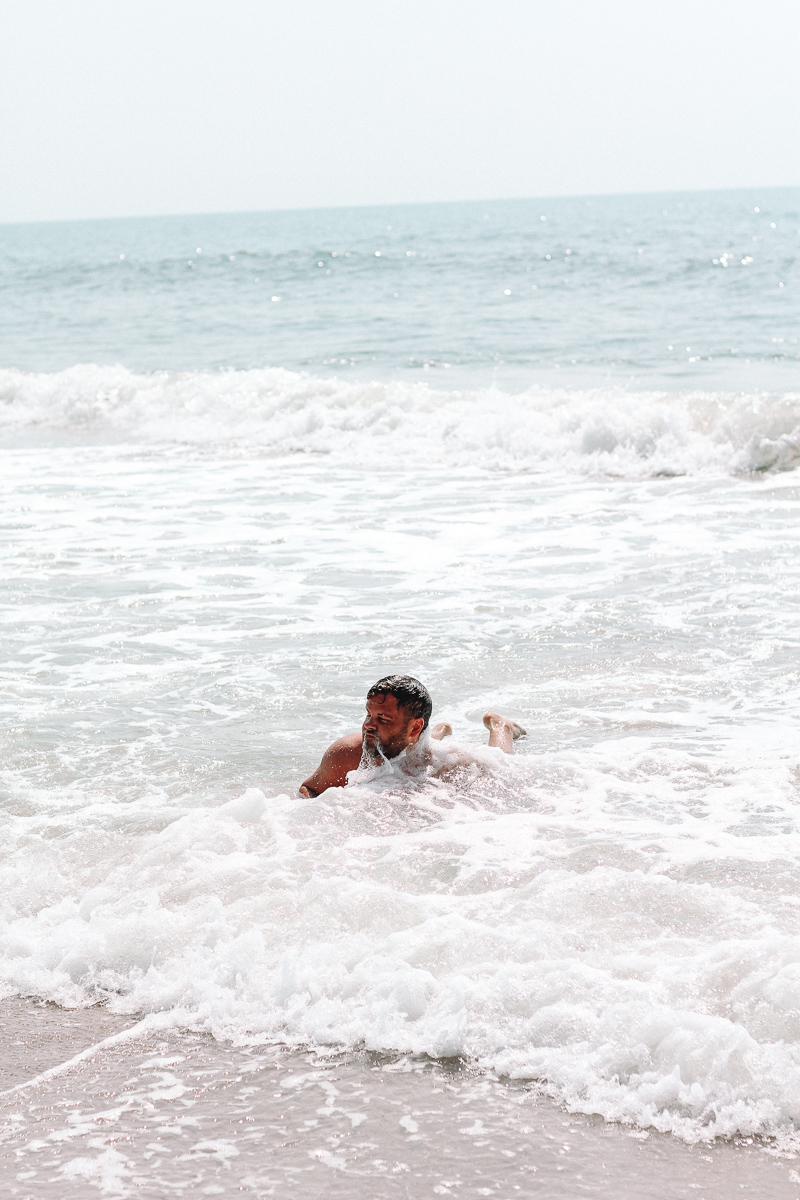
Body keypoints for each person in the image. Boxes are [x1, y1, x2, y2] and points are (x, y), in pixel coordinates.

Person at [299, 674, 525, 798]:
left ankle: (502, 727)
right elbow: (309, 788)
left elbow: (503, 770)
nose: (368, 725)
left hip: (419, 743)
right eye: (369, 714)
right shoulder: (346, 754)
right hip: (413, 738)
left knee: (500, 758)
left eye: (383, 719)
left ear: (415, 727)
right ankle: (437, 730)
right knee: (407, 742)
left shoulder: (447, 763)